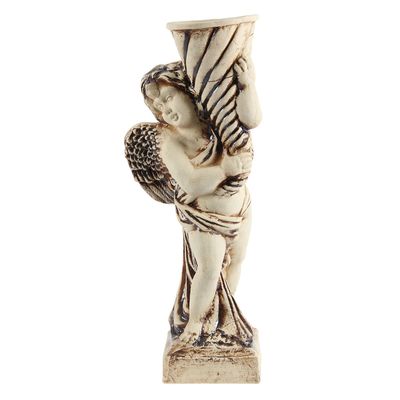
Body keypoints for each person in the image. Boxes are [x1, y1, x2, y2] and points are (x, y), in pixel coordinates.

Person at [140, 59, 260, 345]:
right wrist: (224, 169)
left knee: (236, 260)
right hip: (202, 217)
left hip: (239, 207)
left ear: (188, 91)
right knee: (208, 268)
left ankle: (220, 318)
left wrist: (247, 86)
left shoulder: (217, 121)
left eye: (169, 97)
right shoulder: (171, 142)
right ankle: (195, 324)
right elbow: (191, 182)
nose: (165, 109)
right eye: (159, 106)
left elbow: (250, 121)